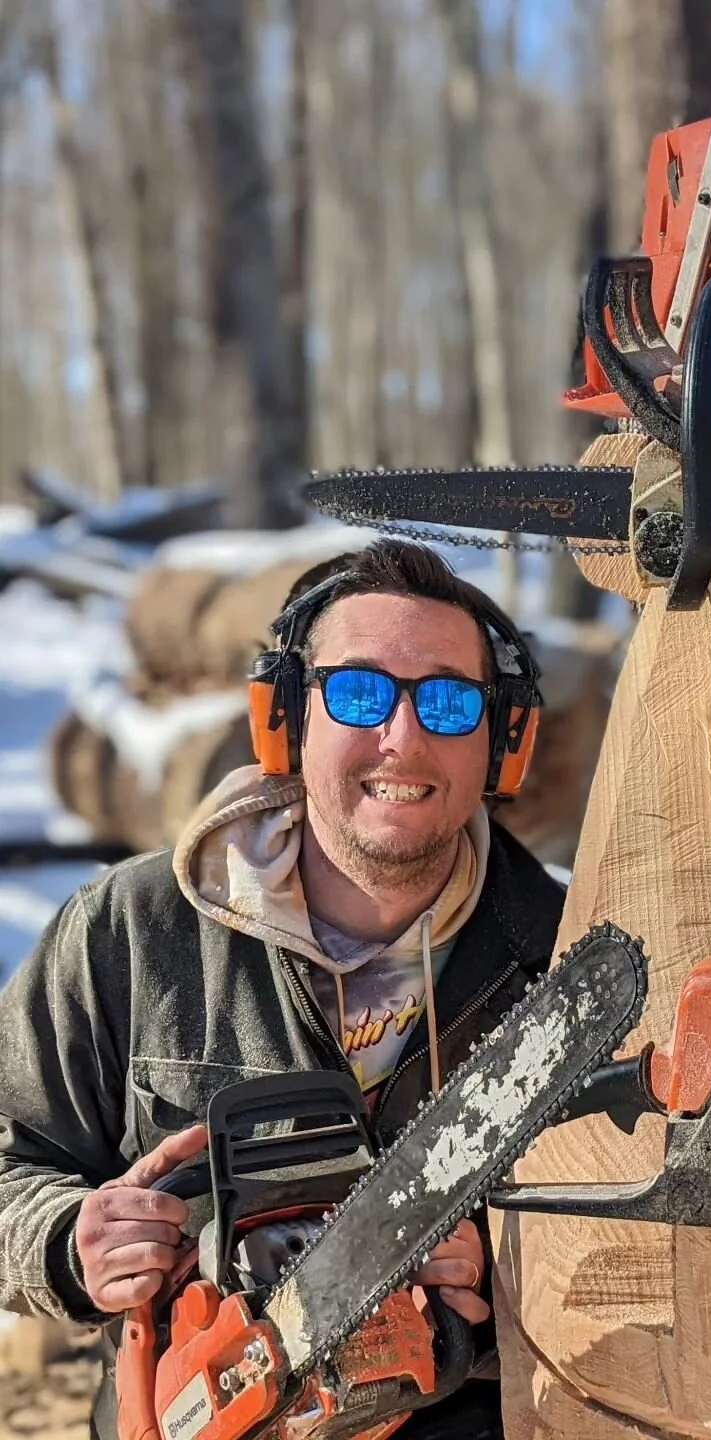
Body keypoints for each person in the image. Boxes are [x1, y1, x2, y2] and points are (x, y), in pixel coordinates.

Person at [0, 538, 565, 1440]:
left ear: (503, 742)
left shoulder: (563, 961)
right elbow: (9, 1158)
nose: (404, 736)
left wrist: (515, 1279)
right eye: (359, 692)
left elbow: (648, 1239)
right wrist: (74, 1240)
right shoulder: (133, 929)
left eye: (452, 702)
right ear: (286, 718)